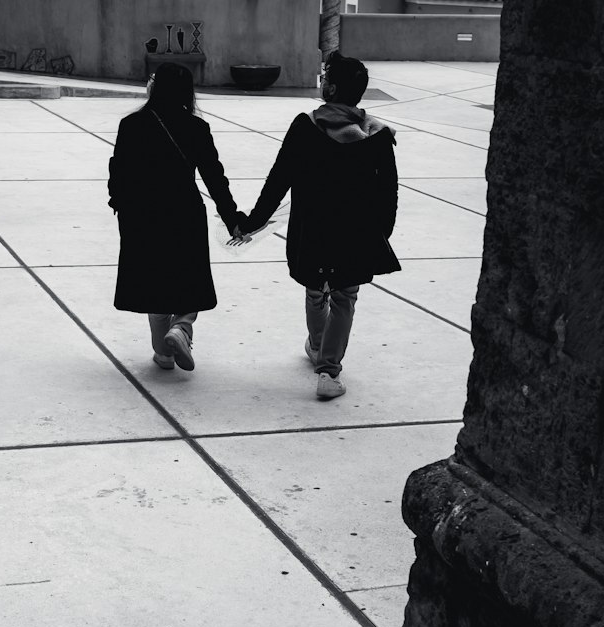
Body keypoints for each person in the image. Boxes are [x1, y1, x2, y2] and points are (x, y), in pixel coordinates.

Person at [239, 52, 400, 401]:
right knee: (345, 296)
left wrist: (252, 222)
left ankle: (316, 344)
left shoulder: (304, 127)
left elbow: (277, 181)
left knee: (316, 289)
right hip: (355, 232)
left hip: (312, 229)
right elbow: (389, 193)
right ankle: (328, 370)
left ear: (332, 88)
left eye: (327, 75)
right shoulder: (377, 136)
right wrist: (381, 234)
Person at [108, 62, 241, 373]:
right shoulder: (196, 128)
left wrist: (119, 204)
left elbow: (119, 171)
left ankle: (163, 354)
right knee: (188, 276)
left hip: (142, 214)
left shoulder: (132, 125)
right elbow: (214, 178)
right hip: (184, 211)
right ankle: (181, 327)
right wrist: (231, 217)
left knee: (152, 280)